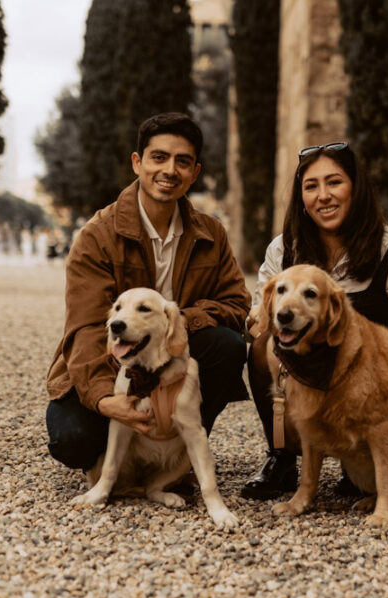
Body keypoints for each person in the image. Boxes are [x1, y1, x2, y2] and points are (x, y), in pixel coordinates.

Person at [241, 142, 388, 500]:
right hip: (307, 381)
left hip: (368, 391)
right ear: (301, 197)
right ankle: (282, 455)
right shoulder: (284, 249)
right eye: (311, 186)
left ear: (356, 189)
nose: (323, 196)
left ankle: (361, 462)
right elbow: (261, 311)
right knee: (261, 347)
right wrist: (260, 321)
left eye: (334, 182)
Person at [46, 112, 251, 476]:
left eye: (182, 162)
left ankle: (178, 454)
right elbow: (87, 325)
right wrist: (106, 399)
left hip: (173, 360)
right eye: (159, 157)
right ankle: (126, 448)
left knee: (229, 345)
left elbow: (238, 305)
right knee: (73, 441)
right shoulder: (98, 235)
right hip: (113, 366)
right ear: (138, 163)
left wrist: (180, 321)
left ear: (195, 172)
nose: (170, 170)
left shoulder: (211, 234)